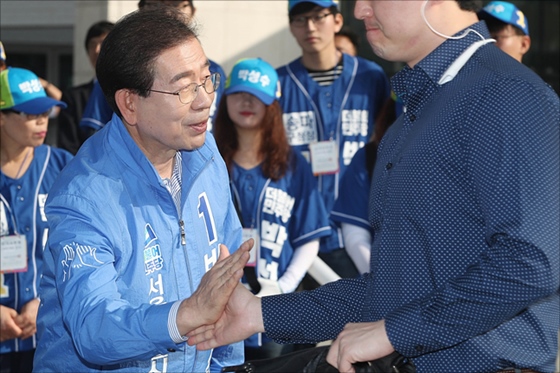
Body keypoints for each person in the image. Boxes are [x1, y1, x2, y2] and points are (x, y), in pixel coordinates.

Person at [186, 1, 560, 372]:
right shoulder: (411, 119)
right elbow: (392, 289)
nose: (360, 11)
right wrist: (257, 312)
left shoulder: (507, 94)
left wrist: (394, 332)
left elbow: (532, 263)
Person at [33, 7, 252, 373]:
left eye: (206, 79)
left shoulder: (206, 154)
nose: (204, 100)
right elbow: (93, 327)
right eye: (183, 88)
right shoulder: (84, 197)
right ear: (130, 103)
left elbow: (225, 280)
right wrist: (186, 314)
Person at [213, 58, 331, 359]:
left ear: (273, 105)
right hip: (217, 305)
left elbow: (309, 237)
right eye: (238, 93)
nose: (246, 102)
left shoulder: (294, 166)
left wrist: (283, 288)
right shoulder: (206, 162)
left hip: (276, 308)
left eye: (257, 96)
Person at [278, 0, 390, 282]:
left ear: (338, 21)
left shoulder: (370, 76)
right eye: (301, 19)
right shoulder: (280, 83)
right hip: (297, 232)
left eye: (319, 17)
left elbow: (387, 143)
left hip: (359, 227)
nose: (310, 27)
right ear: (291, 26)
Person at [0, 67, 71, 373]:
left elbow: (79, 247)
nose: (42, 120)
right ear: (2, 116)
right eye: (30, 114)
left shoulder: (62, 165)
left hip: (49, 333)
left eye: (44, 111)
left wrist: (43, 299)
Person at [80, 0, 226, 135]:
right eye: (155, 4)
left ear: (193, 10)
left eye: (176, 4)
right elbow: (96, 134)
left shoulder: (215, 70)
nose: (168, 13)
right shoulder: (118, 71)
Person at [330, 94, 399, 274]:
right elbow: (355, 233)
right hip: (387, 278)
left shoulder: (460, 154)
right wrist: (382, 280)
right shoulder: (369, 157)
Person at [56, 21, 115, 155]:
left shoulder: (133, 92)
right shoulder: (73, 97)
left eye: (103, 43)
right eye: (92, 45)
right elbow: (67, 148)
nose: (96, 50)